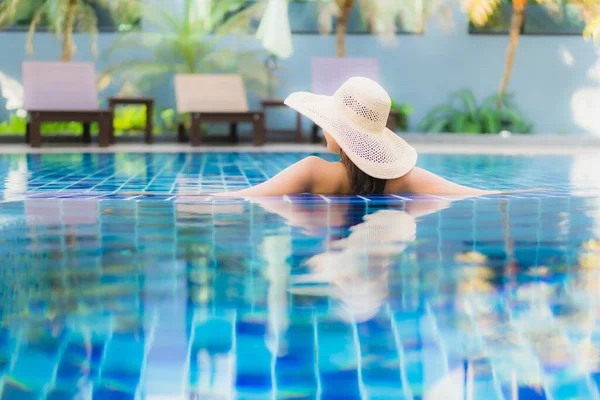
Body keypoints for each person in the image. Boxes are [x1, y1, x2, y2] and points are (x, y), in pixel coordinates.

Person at [216, 77, 496, 197]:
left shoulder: (311, 171)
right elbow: (472, 194)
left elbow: (245, 197)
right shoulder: (403, 179)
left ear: (338, 130)